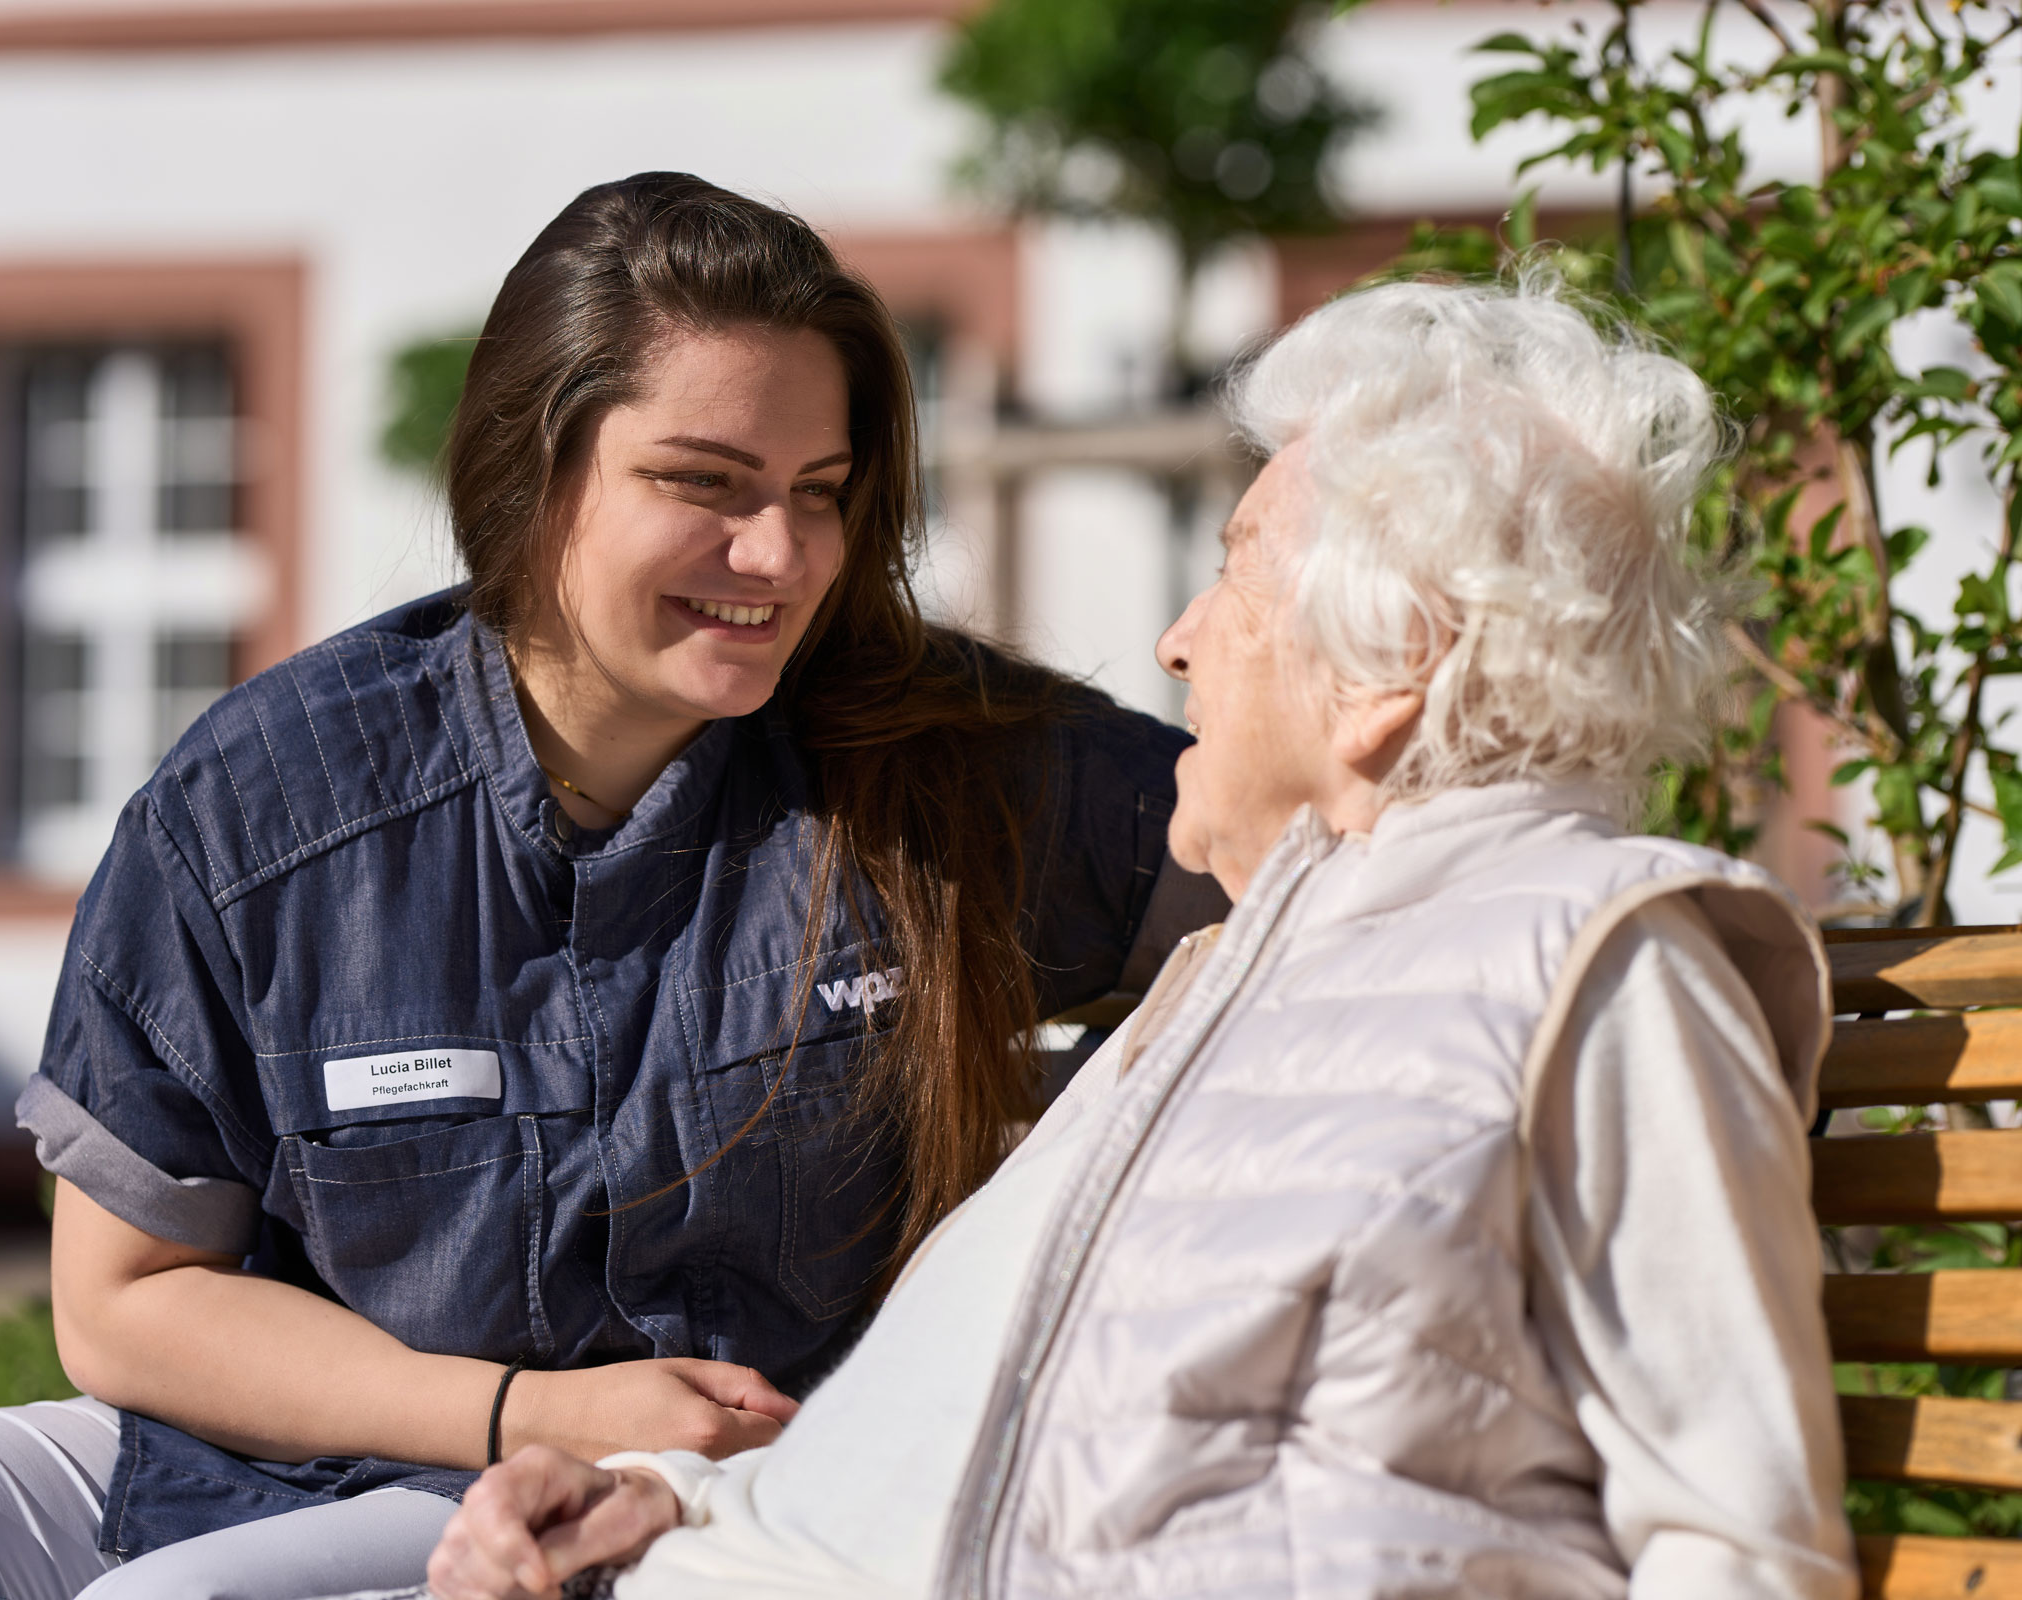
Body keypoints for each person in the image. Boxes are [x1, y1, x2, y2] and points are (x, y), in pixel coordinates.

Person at [0, 174, 1217, 1600]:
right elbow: (126, 1304)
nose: (780, 556)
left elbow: (1285, 846)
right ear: (537, 476)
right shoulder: (266, 809)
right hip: (306, 1455)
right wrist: (515, 1406)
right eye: (707, 481)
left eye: (819, 488)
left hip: (681, 1508)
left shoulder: (939, 761)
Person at [422, 276, 1861, 1600]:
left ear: (1391, 670)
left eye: (1234, 571)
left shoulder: (1602, 968)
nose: (1176, 641)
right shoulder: (1224, 985)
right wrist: (660, 1505)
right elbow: (945, 1440)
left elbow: (1739, 1547)